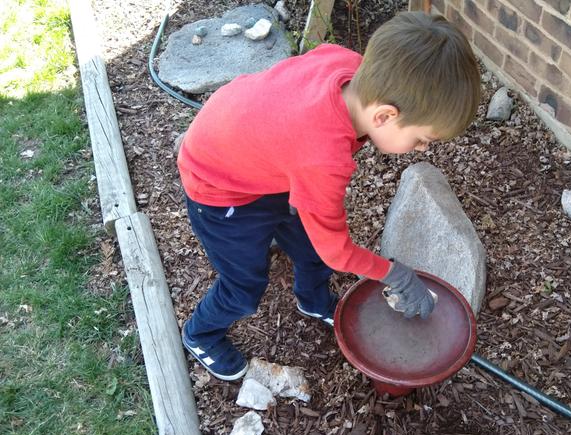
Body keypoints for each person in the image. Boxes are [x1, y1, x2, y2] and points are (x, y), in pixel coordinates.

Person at [177, 11, 481, 381]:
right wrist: (396, 275)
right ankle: (199, 334)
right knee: (245, 285)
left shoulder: (348, 67)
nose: (420, 150)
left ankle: (312, 299)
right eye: (421, 140)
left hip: (261, 156)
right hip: (219, 186)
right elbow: (336, 250)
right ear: (384, 116)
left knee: (307, 242)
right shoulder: (323, 157)